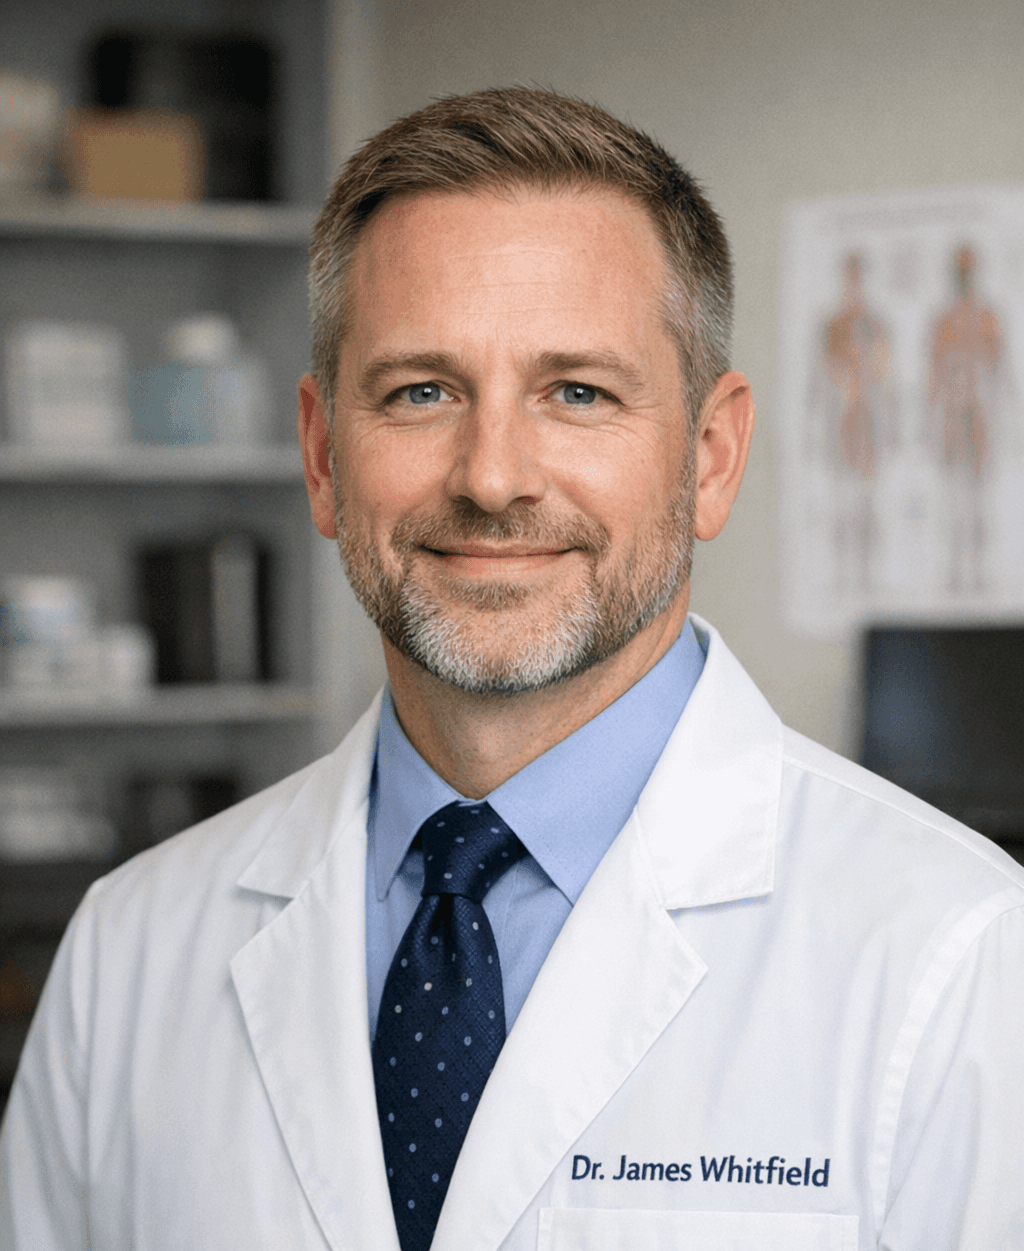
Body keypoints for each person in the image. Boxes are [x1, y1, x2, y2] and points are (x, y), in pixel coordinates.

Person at [2, 87, 1023, 1251]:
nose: (492, 477)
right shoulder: (129, 950)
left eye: (577, 392)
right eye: (420, 391)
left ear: (711, 456)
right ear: (323, 457)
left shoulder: (958, 954)